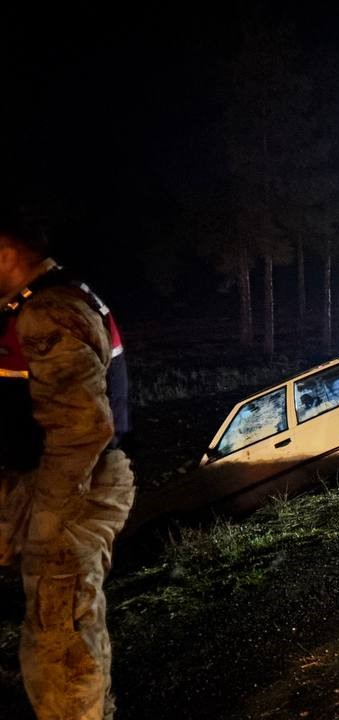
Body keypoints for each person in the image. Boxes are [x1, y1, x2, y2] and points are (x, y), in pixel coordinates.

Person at [0, 207, 134, 720]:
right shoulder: (48, 301)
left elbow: (82, 429)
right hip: (53, 482)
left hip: (69, 489)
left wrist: (48, 520)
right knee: (65, 624)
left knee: (58, 637)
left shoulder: (47, 312)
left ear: (6, 254)